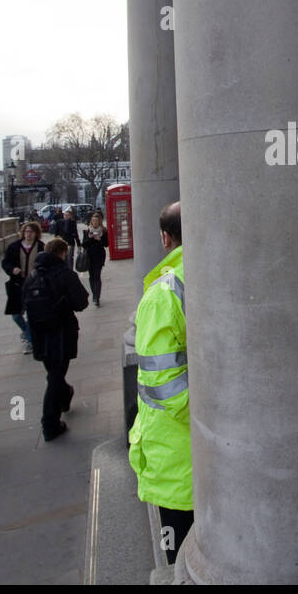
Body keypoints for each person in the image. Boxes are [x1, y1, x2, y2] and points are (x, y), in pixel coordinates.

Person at [128, 201, 190, 564]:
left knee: (179, 558)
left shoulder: (163, 293)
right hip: (219, 451)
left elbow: (161, 386)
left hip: (177, 452)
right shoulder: (222, 268)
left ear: (165, 239)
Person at [24, 236, 89, 440]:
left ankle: (64, 395)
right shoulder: (65, 274)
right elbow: (81, 303)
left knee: (54, 374)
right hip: (61, 334)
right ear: (62, 253)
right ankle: (49, 424)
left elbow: (24, 303)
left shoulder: (32, 276)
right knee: (55, 378)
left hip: (39, 335)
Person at [1, 221, 44, 355]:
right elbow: (5, 263)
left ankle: (31, 342)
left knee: (31, 314)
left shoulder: (41, 247)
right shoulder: (14, 247)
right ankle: (26, 331)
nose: (28, 234)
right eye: (26, 231)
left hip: (34, 285)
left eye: (31, 232)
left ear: (36, 233)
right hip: (17, 285)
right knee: (16, 315)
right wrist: (12, 269)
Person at [81, 210, 109, 306]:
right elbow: (83, 245)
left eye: (96, 221)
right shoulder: (87, 231)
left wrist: (99, 239)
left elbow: (106, 244)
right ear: (91, 222)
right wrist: (89, 238)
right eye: (93, 221)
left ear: (99, 222)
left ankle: (97, 297)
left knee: (97, 276)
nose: (95, 223)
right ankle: (94, 294)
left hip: (99, 256)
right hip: (89, 257)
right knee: (91, 277)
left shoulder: (104, 231)